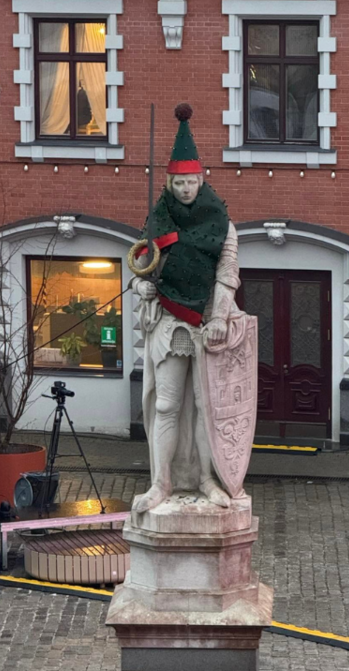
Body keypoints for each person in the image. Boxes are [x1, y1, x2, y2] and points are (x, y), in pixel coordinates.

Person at [130, 103, 243, 514]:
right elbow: (141, 265)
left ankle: (207, 479)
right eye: (178, 183)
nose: (184, 189)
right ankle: (161, 482)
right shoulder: (158, 219)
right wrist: (141, 285)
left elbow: (227, 272)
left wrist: (218, 317)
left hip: (207, 325)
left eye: (190, 181)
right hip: (170, 320)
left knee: (207, 408)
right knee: (167, 404)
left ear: (200, 179)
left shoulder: (222, 222)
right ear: (171, 183)